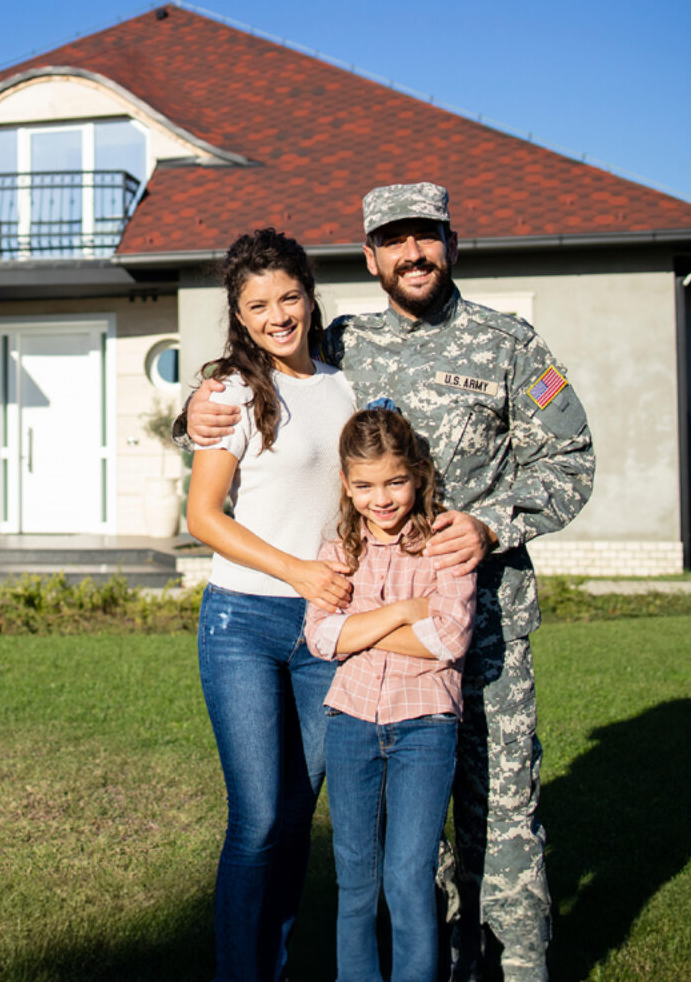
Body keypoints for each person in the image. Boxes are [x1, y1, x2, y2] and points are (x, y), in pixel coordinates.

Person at [184, 184, 594, 981]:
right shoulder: (348, 344)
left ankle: (510, 971)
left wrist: (492, 524)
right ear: (368, 257)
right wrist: (192, 407)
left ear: (449, 241)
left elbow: (572, 458)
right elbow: (258, 378)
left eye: (426, 236)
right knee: (400, 833)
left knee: (501, 814)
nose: (413, 253)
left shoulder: (510, 343)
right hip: (371, 632)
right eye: (392, 240)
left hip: (486, 632)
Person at [182, 228, 357, 982]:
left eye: (289, 296)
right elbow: (204, 517)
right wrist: (298, 571)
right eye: (259, 304)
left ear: (311, 296)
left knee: (294, 820)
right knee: (255, 821)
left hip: (323, 628)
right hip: (243, 624)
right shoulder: (231, 393)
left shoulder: (346, 387)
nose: (278, 314)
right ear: (240, 315)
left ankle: (271, 966)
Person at [305, 406, 476, 982]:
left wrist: (364, 628)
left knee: (407, 876)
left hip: (425, 726)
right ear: (347, 486)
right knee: (356, 880)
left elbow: (449, 637)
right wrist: (403, 611)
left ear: (419, 476)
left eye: (396, 482)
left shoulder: (444, 545)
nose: (382, 498)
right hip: (350, 723)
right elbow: (323, 637)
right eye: (366, 485)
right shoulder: (338, 552)